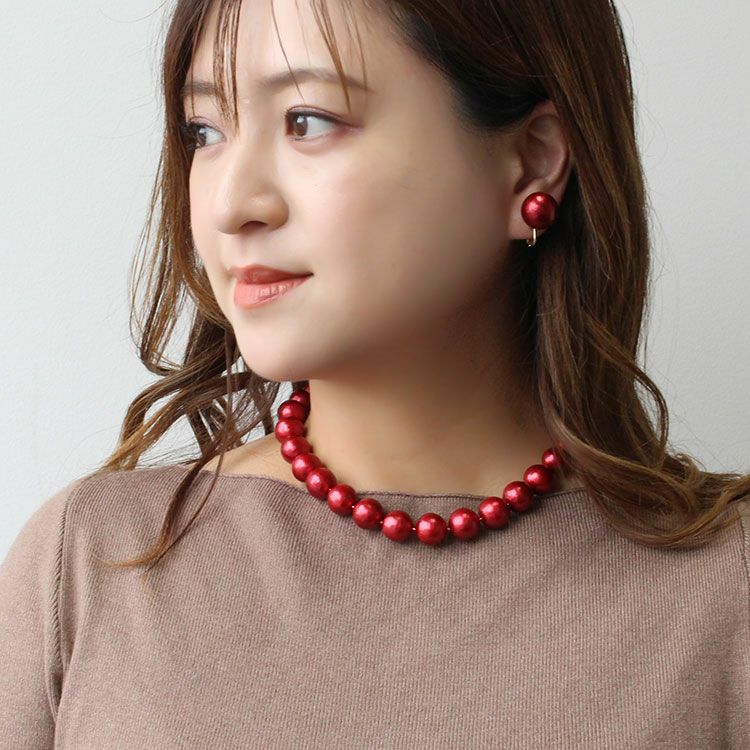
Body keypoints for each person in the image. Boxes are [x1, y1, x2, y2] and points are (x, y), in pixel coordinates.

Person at [1, 0, 748, 747]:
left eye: (308, 120)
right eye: (205, 131)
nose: (231, 205)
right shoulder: (92, 562)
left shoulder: (724, 591)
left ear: (533, 158)